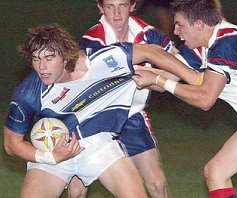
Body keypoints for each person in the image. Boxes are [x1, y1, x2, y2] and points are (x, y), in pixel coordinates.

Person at [3, 23, 197, 198]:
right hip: (55, 148)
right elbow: (11, 144)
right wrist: (52, 156)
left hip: (98, 144)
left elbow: (151, 52)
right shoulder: (28, 93)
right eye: (36, 59)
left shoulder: (99, 61)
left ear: (64, 56)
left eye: (49, 58)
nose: (42, 67)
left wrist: (193, 77)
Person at [132, 0, 237, 197]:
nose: (175, 31)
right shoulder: (199, 47)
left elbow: (205, 99)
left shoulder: (227, 41)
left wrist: (159, 80)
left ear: (199, 24)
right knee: (216, 172)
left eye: (179, 24)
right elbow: (170, 76)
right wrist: (125, 71)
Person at [69, 0, 176, 197]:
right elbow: (106, 83)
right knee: (78, 189)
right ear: (100, 8)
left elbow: (178, 68)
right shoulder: (93, 39)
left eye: (123, 5)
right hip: (94, 118)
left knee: (158, 184)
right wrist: (155, 78)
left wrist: (157, 79)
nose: (117, 13)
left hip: (131, 115)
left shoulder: (148, 33)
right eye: (110, 6)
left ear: (133, 6)